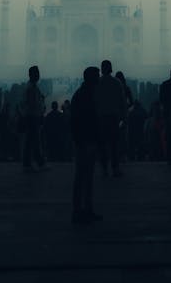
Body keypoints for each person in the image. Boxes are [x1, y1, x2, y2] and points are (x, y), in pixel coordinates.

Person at [70, 66, 103, 224]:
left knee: (86, 177)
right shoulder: (85, 95)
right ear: (91, 78)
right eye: (97, 75)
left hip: (87, 140)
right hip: (85, 141)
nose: (99, 78)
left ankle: (85, 209)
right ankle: (79, 210)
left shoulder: (84, 94)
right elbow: (79, 121)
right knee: (83, 177)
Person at [95, 60, 127, 177]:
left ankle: (104, 168)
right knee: (114, 144)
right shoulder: (117, 82)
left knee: (102, 144)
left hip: (101, 117)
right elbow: (122, 101)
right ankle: (115, 168)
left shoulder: (97, 82)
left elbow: (95, 101)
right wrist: (124, 117)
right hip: (114, 117)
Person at [20, 65, 48, 172]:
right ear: (32, 75)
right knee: (35, 141)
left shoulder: (31, 87)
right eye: (37, 73)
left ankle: (28, 164)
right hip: (33, 116)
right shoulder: (32, 88)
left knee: (30, 141)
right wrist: (41, 107)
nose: (38, 75)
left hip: (31, 116)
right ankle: (39, 163)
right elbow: (33, 104)